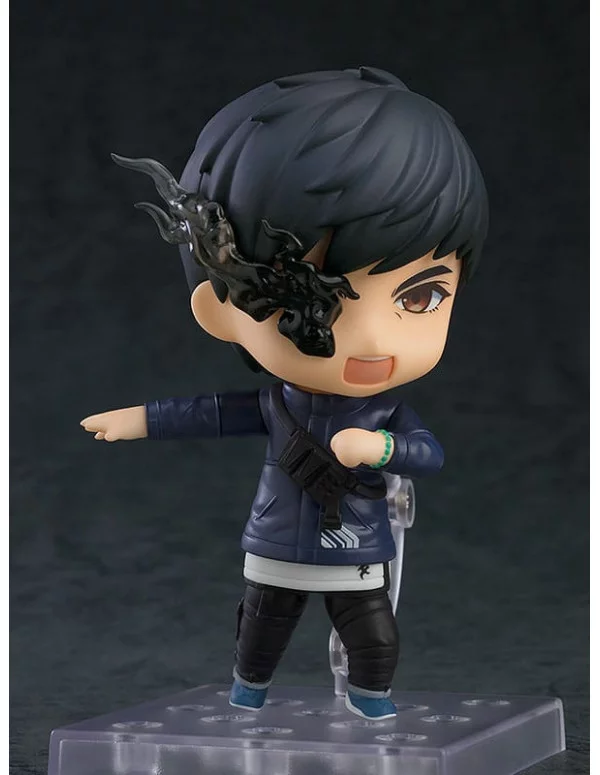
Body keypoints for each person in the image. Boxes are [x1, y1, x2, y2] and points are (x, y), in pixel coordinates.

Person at [81, 66, 488, 720]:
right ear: (220, 309)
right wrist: (141, 419)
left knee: (374, 640)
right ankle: (247, 697)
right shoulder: (279, 405)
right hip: (276, 542)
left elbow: (427, 453)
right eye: (319, 302)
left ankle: (371, 702)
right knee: (260, 635)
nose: (372, 338)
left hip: (357, 545)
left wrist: (381, 447)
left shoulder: (384, 409)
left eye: (421, 296)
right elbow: (211, 414)